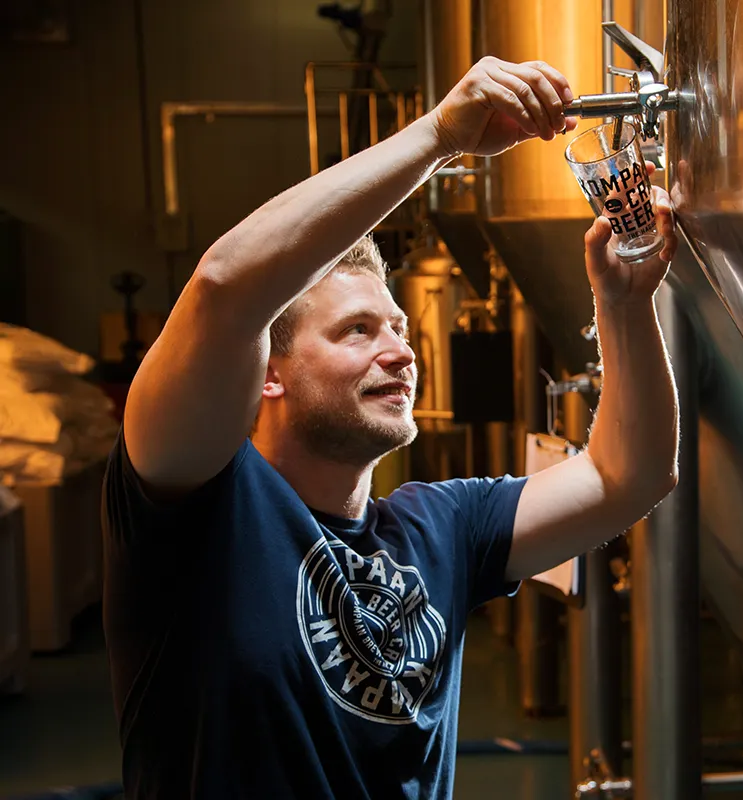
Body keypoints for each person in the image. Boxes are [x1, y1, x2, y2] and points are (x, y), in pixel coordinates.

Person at [101, 56, 679, 800]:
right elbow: (223, 289)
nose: (401, 350)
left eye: (400, 327)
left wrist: (625, 306)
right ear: (266, 373)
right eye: (358, 330)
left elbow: (626, 476)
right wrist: (441, 137)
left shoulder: (441, 529)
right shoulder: (191, 509)